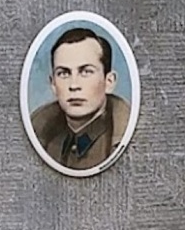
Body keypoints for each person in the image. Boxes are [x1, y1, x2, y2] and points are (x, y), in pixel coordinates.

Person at [30, 27, 130, 171]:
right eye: (64, 73)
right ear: (53, 84)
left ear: (109, 82)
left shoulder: (125, 141)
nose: (74, 85)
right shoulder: (41, 136)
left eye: (86, 72)